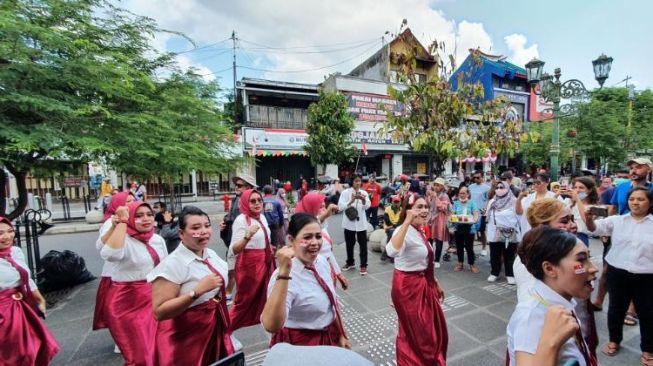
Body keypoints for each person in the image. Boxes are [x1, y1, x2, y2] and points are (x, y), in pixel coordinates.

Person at [148, 206, 234, 365]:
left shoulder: (210, 254)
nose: (204, 231)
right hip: (186, 338)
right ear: (181, 233)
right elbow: (159, 311)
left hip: (214, 328)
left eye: (207, 226)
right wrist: (196, 292)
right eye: (195, 228)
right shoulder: (172, 264)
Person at [507, 226, 598, 366]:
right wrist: (550, 344)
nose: (594, 268)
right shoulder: (531, 318)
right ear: (549, 269)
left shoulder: (560, 302)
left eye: (589, 258)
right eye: (581, 260)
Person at [585, 187, 653, 365]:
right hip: (618, 273)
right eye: (632, 199)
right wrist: (588, 218)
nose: (635, 203)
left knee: (648, 313)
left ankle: (648, 349)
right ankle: (614, 340)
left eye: (641, 199)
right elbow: (595, 229)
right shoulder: (617, 220)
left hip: (647, 276)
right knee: (616, 309)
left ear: (650, 202)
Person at [262, 213, 350, 348]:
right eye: (307, 238)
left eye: (318, 236)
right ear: (291, 240)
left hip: (328, 336)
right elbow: (271, 325)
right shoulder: (282, 277)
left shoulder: (320, 261)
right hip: (300, 345)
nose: (315, 242)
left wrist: (341, 333)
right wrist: (284, 274)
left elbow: (331, 303)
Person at [100, 201, 168, 365]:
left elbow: (165, 267)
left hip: (156, 299)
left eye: (149, 214)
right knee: (140, 356)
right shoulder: (123, 239)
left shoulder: (157, 239)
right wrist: (121, 223)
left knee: (161, 351)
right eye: (138, 216)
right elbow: (110, 254)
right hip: (127, 303)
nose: (146, 219)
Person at [386, 195, 447, 365]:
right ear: (408, 210)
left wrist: (435, 282)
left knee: (424, 330)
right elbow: (391, 251)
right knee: (421, 334)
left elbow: (422, 261)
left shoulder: (419, 229)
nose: (425, 210)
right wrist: (406, 222)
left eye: (426, 206)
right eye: (419, 207)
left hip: (422, 283)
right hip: (407, 288)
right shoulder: (403, 230)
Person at [0, 216, 60, 365]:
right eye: (0, 233)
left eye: (10, 231)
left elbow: (26, 278)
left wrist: (39, 299)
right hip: (3, 312)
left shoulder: (15, 251)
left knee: (31, 348)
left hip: (20, 308)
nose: (7, 236)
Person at [228, 189, 275, 331]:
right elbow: (234, 249)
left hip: (266, 261)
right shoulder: (241, 220)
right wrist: (247, 236)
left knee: (269, 296)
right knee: (244, 301)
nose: (257, 203)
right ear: (245, 203)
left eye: (259, 200)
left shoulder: (261, 217)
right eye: (252, 201)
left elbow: (264, 239)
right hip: (250, 266)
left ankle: (273, 326)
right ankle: (224, 330)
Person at [294, 193, 348, 289]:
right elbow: (309, 227)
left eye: (324, 206)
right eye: (320, 207)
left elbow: (329, 253)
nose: (324, 209)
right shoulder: (301, 231)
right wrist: (326, 215)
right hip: (313, 275)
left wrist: (338, 273)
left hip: (326, 270)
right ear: (311, 208)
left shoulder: (322, 227)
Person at [220, 174, 256, 301]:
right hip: (233, 237)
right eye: (236, 185)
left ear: (249, 187)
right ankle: (231, 293)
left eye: (240, 186)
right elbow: (231, 215)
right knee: (232, 268)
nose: (236, 188)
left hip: (245, 240)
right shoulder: (236, 200)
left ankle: (234, 294)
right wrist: (225, 222)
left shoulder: (253, 201)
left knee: (238, 268)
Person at [485, 181, 519, 284]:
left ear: (508, 188)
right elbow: (488, 216)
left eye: (502, 187)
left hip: (509, 232)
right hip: (494, 231)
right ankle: (494, 273)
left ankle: (510, 274)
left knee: (509, 254)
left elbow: (518, 216)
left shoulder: (514, 201)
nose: (499, 189)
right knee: (494, 254)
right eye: (497, 187)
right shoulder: (492, 201)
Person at [337, 174, 371, 276]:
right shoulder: (345, 193)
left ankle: (363, 265)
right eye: (356, 181)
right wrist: (350, 201)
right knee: (349, 244)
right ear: (352, 182)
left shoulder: (364, 192)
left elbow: (367, 206)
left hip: (361, 224)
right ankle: (350, 262)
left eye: (359, 181)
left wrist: (363, 200)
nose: (358, 183)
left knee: (363, 245)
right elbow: (340, 207)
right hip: (348, 223)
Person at [516, 172, 555, 240]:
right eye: (534, 183)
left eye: (538, 183)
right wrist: (519, 199)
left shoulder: (553, 196)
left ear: (546, 183)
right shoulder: (528, 197)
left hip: (547, 233)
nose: (535, 185)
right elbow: (519, 212)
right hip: (529, 232)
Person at [451, 186, 480, 273]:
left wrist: (475, 219)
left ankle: (472, 264)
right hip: (458, 228)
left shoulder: (472, 203)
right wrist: (451, 218)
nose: (462, 195)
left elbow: (475, 213)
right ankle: (460, 263)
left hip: (470, 228)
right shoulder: (455, 203)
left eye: (464, 193)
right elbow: (452, 214)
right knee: (459, 247)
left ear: (467, 194)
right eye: (460, 193)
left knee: (469, 247)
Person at [567, 177, 599, 246]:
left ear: (589, 190)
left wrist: (578, 200)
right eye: (575, 187)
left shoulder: (594, 207)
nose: (577, 190)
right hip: (566, 235)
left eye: (581, 188)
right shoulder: (570, 203)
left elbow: (586, 221)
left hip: (581, 237)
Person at [428, 178, 451, 268]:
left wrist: (435, 197)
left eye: (438, 185)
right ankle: (429, 257)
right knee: (429, 238)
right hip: (431, 218)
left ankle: (437, 260)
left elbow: (443, 208)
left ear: (442, 187)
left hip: (440, 219)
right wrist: (428, 196)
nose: (436, 187)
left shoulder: (445, 196)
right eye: (435, 185)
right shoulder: (433, 194)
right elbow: (429, 205)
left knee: (439, 239)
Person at [469, 170, 490, 256]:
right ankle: (471, 249)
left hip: (481, 213)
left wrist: (485, 208)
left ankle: (484, 247)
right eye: (474, 177)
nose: (476, 179)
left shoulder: (487, 188)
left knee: (482, 231)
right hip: (471, 212)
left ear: (482, 177)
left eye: (478, 177)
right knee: (471, 231)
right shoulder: (470, 187)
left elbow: (488, 200)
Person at [381, 195, 402, 263]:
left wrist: (395, 226)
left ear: (400, 202)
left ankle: (386, 253)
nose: (396, 204)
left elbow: (401, 221)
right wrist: (393, 226)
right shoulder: (388, 209)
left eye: (397, 202)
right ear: (392, 202)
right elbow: (387, 220)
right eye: (395, 202)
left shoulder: (402, 210)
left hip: (397, 227)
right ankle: (392, 255)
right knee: (392, 233)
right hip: (389, 227)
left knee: (393, 234)